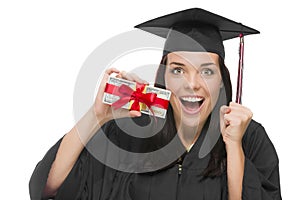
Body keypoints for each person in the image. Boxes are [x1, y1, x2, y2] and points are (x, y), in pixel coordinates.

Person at [29, 8, 282, 200]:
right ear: (162, 79)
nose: (192, 84)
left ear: (222, 81)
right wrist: (97, 116)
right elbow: (49, 188)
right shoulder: (130, 131)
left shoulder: (250, 138)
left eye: (206, 72)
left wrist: (234, 146)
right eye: (178, 70)